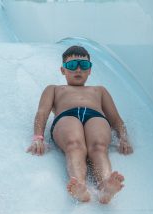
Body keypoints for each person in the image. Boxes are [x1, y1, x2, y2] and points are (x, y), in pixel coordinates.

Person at [27, 45, 133, 203]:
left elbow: (116, 119)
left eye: (83, 65)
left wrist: (123, 138)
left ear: (89, 70)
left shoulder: (99, 91)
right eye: (72, 65)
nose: (78, 70)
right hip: (67, 116)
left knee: (98, 145)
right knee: (74, 144)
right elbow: (42, 113)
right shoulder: (54, 89)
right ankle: (80, 186)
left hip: (95, 116)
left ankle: (105, 186)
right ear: (63, 70)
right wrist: (38, 137)